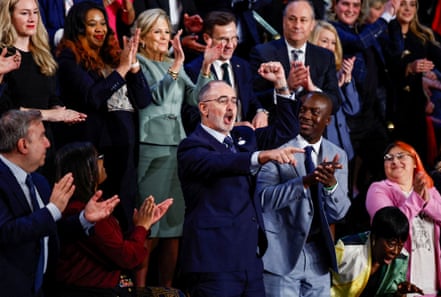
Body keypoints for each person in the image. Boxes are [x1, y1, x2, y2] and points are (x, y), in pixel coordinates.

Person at [177, 68, 303, 297]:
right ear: (203, 108)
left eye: (234, 100)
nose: (231, 106)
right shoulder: (191, 147)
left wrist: (282, 86)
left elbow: (287, 129)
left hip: (249, 262)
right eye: (222, 100)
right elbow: (221, 163)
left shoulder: (245, 137)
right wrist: (260, 156)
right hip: (213, 265)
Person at [132, 8, 218, 288]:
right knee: (151, 224)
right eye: (157, 31)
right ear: (142, 37)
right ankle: (141, 288)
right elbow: (153, 97)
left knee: (173, 227)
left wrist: (204, 66)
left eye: (166, 32)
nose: (163, 37)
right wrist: (176, 66)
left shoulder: (174, 62)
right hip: (151, 147)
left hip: (176, 146)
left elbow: (195, 99)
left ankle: (166, 289)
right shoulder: (138, 62)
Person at [0, 109, 119, 297]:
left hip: (41, 289)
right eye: (42, 137)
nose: (48, 144)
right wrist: (52, 210)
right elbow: (6, 233)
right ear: (23, 145)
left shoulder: (39, 182)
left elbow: (49, 230)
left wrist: (83, 219)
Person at [56, 1, 151, 232]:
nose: (100, 29)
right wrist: (121, 70)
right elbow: (93, 97)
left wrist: (134, 67)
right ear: (79, 28)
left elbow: (144, 100)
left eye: (103, 24)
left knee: (125, 217)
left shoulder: (114, 57)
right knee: (98, 223)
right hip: (96, 152)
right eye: (92, 24)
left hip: (125, 150)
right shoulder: (70, 59)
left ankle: (122, 268)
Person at [255, 91, 351, 297]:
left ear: (328, 120)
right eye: (303, 110)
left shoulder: (337, 154)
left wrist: (331, 184)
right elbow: (264, 200)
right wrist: (305, 182)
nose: (306, 116)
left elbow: (340, 212)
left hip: (319, 258)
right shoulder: (278, 149)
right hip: (281, 256)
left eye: (314, 112)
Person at [52, 141, 174, 297]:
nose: (102, 161)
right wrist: (141, 228)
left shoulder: (87, 207)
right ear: (86, 169)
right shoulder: (82, 213)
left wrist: (144, 224)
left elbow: (116, 247)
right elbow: (127, 258)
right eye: (98, 157)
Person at [0, 0, 87, 181]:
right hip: (15, 145)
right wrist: (50, 115)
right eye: (24, 13)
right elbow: (7, 110)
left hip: (44, 141)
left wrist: (58, 109)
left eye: (35, 13)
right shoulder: (3, 56)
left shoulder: (42, 53)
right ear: (9, 16)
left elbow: (52, 95)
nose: (32, 18)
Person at [330, 0, 398, 203]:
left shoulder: (365, 29)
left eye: (356, 5)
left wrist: (392, 17)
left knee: (383, 169)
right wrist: (385, 17)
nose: (351, 10)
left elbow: (394, 51)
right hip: (347, 118)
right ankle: (345, 229)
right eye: (345, 4)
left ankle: (372, 214)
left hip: (372, 116)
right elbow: (359, 42)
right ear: (334, 5)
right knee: (344, 182)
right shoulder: (332, 30)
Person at [366, 140, 441, 295]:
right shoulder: (378, 190)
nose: (395, 161)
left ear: (415, 161)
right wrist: (416, 199)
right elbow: (388, 226)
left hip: (433, 286)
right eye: (389, 158)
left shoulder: (430, 191)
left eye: (401, 156)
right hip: (399, 285)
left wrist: (427, 203)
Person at [250, 0, 340, 123]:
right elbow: (253, 98)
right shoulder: (262, 53)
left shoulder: (325, 57)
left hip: (312, 131)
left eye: (303, 20)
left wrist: (313, 89)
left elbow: (335, 104)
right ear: (283, 21)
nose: (297, 25)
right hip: (277, 127)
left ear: (312, 24)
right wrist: (285, 87)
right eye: (292, 19)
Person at [184, 10, 268, 134]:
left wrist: (261, 111)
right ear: (207, 38)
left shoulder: (243, 66)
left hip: (243, 141)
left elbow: (250, 98)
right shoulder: (193, 70)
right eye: (223, 40)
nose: (230, 45)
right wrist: (233, 126)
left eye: (234, 38)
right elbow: (191, 116)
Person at [385, 0, 441, 166]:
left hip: (415, 108)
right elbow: (388, 69)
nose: (407, 9)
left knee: (417, 160)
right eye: (403, 4)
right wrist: (408, 68)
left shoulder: (422, 37)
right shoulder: (385, 34)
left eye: (412, 4)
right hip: (392, 108)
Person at [331, 206, 424, 297]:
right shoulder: (346, 250)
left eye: (400, 245)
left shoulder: (401, 258)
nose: (396, 251)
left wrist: (400, 293)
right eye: (391, 244)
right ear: (375, 237)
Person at [309, 20, 359, 161]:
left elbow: (353, 109)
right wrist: (334, 87)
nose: (330, 47)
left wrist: (347, 81)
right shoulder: (308, 73)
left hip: (343, 150)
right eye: (324, 41)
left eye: (333, 43)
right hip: (320, 152)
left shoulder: (339, 71)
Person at [38, 0, 104, 49]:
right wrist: (62, 36)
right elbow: (38, 30)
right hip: (53, 56)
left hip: (89, 53)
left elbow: (101, 25)